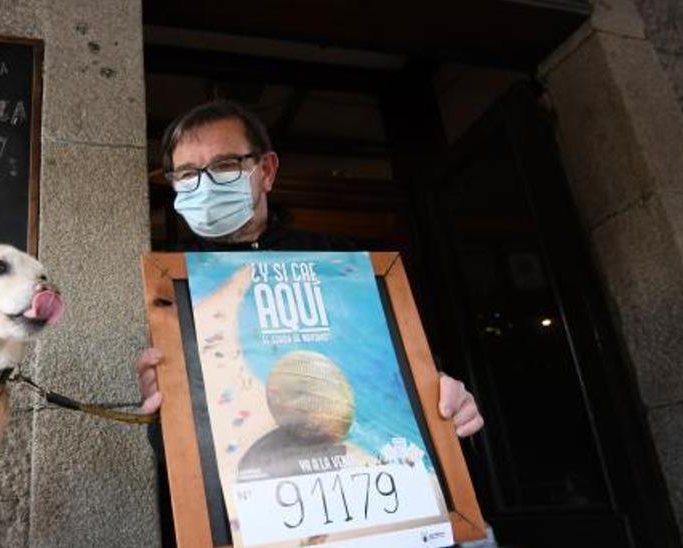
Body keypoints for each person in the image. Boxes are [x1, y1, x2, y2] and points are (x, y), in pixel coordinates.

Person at [134, 100, 486, 545]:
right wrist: (163, 417)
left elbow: (411, 387)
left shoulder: (345, 266)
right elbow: (179, 458)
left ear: (266, 171)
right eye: (186, 173)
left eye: (224, 164)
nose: (203, 184)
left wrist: (448, 407)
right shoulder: (174, 292)